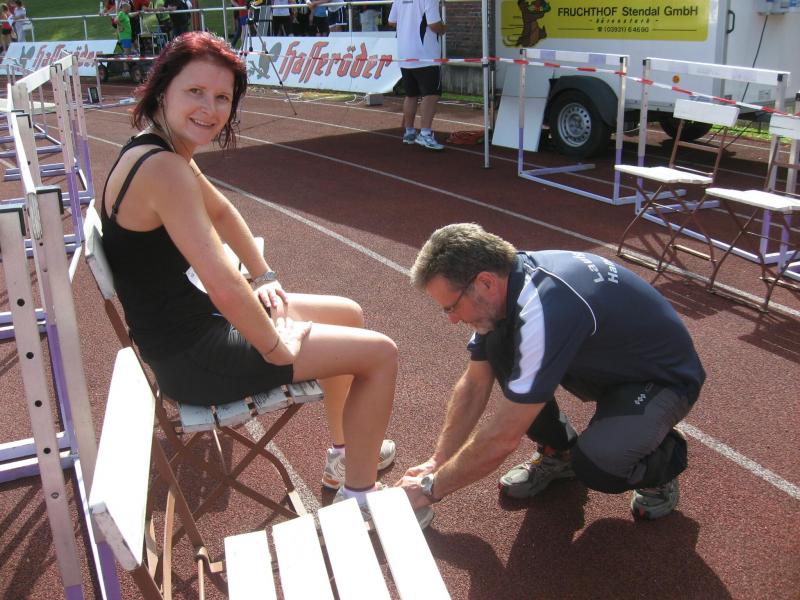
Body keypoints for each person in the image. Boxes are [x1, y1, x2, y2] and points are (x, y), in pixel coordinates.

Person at [98, 31, 430, 527]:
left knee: (348, 313)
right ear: (163, 89)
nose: (210, 109)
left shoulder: (160, 149)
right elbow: (222, 284)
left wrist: (264, 275)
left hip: (189, 331)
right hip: (193, 356)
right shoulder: (163, 168)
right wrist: (277, 348)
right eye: (195, 91)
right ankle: (359, 502)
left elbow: (223, 212)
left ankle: (345, 455)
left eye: (222, 97)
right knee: (380, 354)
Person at [397, 223, 705, 521]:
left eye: (451, 307)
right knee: (498, 345)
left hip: (661, 379)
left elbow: (504, 436)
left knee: (598, 463)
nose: (451, 320)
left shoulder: (545, 305)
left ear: (485, 283)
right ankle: (559, 453)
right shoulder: (507, 284)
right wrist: (438, 461)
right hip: (607, 362)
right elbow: (475, 383)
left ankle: (661, 455)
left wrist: (429, 489)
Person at [387, 0, 446, 151]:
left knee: (411, 94)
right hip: (426, 55)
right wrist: (444, 28)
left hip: (405, 54)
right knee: (431, 94)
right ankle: (425, 133)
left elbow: (391, 21)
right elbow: (434, 24)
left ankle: (409, 132)